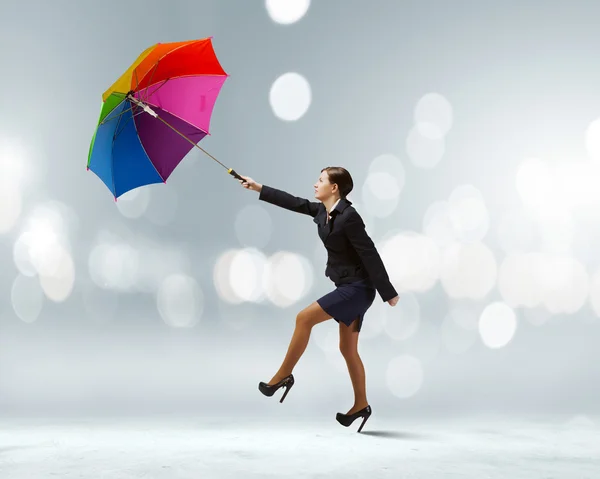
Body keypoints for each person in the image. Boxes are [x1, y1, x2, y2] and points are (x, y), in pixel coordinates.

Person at [239, 167, 399, 433]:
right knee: (347, 350)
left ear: (334, 187)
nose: (316, 184)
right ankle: (361, 404)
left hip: (358, 289)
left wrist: (388, 292)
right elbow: (293, 202)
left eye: (321, 180)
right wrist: (258, 187)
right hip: (347, 285)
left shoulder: (349, 217)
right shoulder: (322, 212)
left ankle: (283, 376)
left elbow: (369, 253)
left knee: (304, 318)